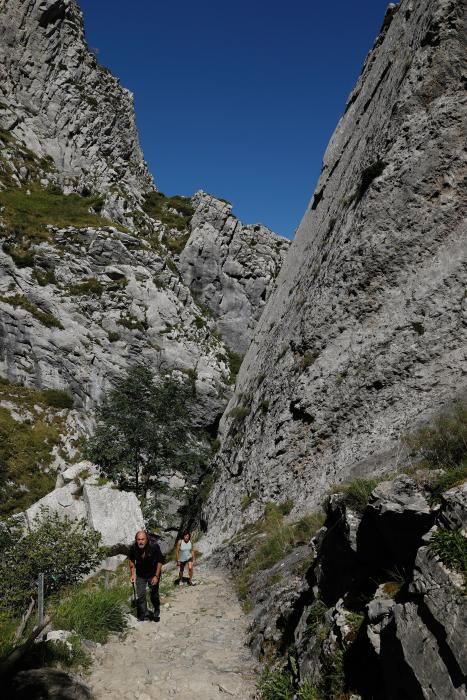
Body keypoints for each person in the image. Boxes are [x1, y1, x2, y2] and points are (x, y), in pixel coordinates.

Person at [128, 530, 164, 621]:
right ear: (136, 540)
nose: (140, 541)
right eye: (138, 539)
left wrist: (156, 576)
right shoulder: (133, 548)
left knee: (154, 594)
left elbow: (160, 561)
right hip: (140, 574)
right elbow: (131, 560)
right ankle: (145, 613)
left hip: (153, 573)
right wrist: (132, 574)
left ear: (147, 539)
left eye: (142, 539)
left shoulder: (154, 546)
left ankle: (156, 608)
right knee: (140, 595)